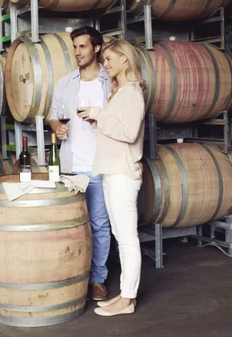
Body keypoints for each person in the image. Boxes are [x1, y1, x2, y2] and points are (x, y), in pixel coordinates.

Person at [77, 39, 146, 317]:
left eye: (109, 59)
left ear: (124, 59)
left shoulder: (133, 92)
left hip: (123, 174)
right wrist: (98, 121)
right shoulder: (119, 92)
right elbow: (116, 131)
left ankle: (127, 300)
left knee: (127, 238)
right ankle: (125, 294)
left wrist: (98, 114)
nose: (104, 64)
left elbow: (129, 133)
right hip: (111, 171)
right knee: (120, 235)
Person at [49, 26, 112, 301]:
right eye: (74, 47)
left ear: (96, 48)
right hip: (71, 166)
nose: (77, 52)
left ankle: (98, 279)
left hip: (100, 165)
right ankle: (73, 279)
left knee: (99, 225)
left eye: (82, 46)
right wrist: (56, 127)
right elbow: (53, 115)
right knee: (71, 227)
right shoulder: (65, 83)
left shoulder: (110, 81)